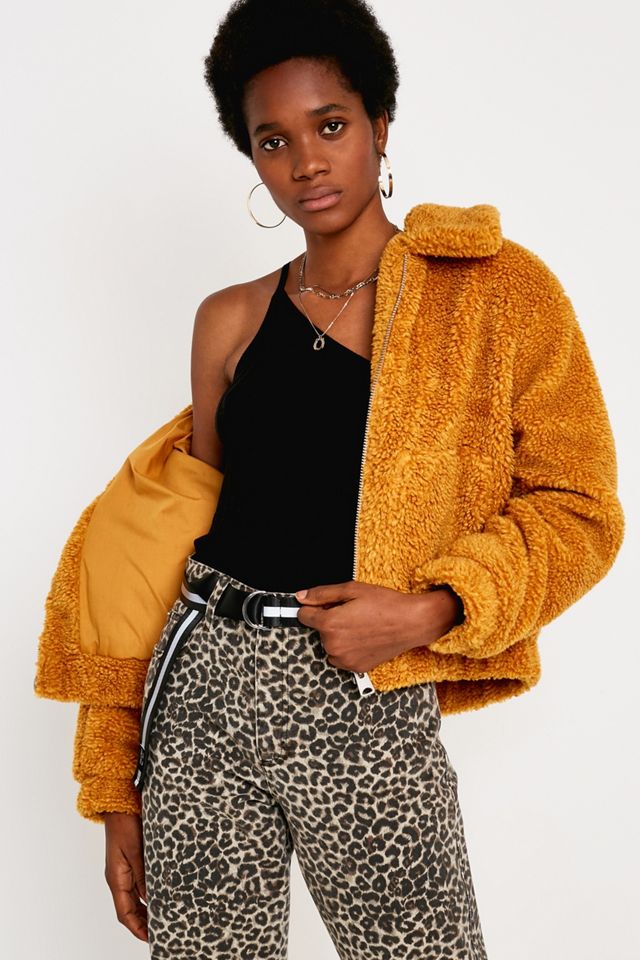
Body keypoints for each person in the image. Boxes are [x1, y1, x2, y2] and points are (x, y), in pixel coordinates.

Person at [33, 0, 625, 957]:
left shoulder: (494, 294)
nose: (306, 162)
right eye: (273, 140)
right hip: (201, 697)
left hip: (365, 693)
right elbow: (151, 554)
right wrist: (116, 793)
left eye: (331, 125)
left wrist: (434, 609)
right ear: (252, 158)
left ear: (380, 124)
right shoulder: (228, 319)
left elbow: (581, 508)